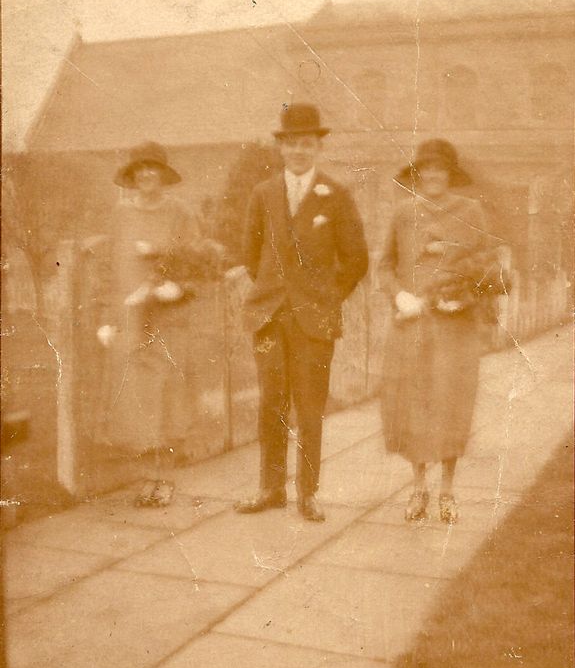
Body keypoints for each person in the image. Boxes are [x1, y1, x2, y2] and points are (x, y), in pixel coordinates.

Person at [235, 103, 369, 522]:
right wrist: (276, 291)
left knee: (310, 406)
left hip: (315, 319)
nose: (298, 151)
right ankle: (271, 489)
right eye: (291, 144)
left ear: (318, 148)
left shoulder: (337, 194)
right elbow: (250, 254)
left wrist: (326, 297)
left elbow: (356, 259)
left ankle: (307, 493)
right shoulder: (263, 193)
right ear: (281, 147)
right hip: (270, 317)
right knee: (271, 403)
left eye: (307, 144)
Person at [92, 141, 224, 507]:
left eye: (153, 168)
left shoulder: (181, 213)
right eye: (140, 169)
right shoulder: (119, 215)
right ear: (133, 176)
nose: (147, 174)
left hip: (170, 321)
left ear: (164, 174)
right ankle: (147, 478)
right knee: (138, 402)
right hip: (131, 321)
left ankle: (166, 478)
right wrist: (106, 317)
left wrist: (177, 288)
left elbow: (201, 265)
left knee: (168, 400)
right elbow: (107, 270)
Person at [379, 139, 504, 524]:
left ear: (450, 174)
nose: (432, 175)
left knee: (451, 404)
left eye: (440, 169)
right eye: (426, 169)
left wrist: (466, 296)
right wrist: (399, 295)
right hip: (413, 323)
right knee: (414, 403)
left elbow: (488, 266)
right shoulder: (402, 213)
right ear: (418, 175)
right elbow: (384, 265)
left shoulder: (471, 211)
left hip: (455, 327)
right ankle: (418, 488)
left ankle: (447, 490)